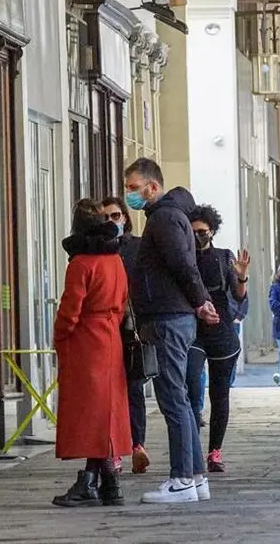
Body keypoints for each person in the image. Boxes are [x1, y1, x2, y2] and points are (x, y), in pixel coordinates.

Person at [123, 158, 217, 504]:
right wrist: (198, 301)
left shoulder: (163, 218)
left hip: (167, 316)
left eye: (134, 187)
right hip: (172, 314)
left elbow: (182, 264)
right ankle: (195, 476)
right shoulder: (171, 216)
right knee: (180, 398)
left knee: (173, 399)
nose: (130, 194)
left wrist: (201, 300)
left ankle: (181, 479)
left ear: (153, 186)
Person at [51, 200, 132, 508]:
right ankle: (108, 481)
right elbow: (123, 301)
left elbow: (70, 309)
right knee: (105, 411)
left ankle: (90, 482)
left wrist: (60, 336)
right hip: (111, 337)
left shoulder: (81, 264)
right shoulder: (115, 261)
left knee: (90, 413)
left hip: (86, 341)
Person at [186, 204, 250, 473]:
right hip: (193, 332)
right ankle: (192, 449)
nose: (198, 236)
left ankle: (214, 452)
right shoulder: (183, 257)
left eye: (202, 231)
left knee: (220, 394)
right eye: (193, 232)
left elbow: (238, 295)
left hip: (221, 332)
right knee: (191, 385)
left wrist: (242, 276)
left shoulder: (224, 257)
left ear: (212, 231)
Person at [102, 196, 151, 474]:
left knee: (134, 388)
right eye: (105, 217)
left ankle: (137, 445)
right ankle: (115, 449)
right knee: (110, 392)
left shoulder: (137, 247)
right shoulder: (98, 248)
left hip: (133, 328)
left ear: (125, 218)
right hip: (106, 328)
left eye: (115, 216)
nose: (111, 221)